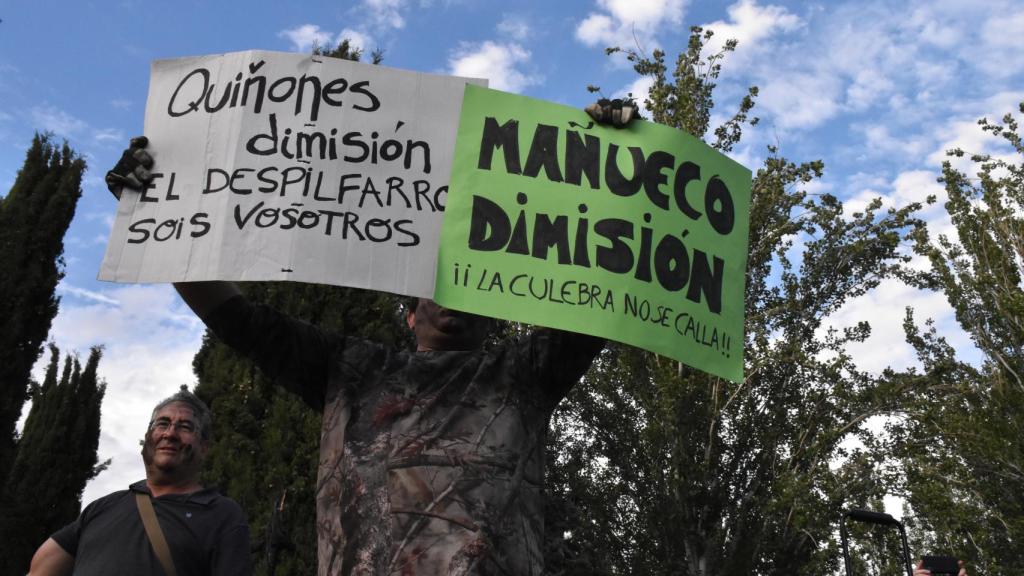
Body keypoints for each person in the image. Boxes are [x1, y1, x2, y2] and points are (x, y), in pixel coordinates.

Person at [102, 99, 636, 575]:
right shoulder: (350, 369)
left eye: (466, 285)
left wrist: (614, 157)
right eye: (434, 286)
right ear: (409, 315)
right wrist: (158, 205)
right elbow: (235, 317)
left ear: (493, 312)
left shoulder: (525, 373)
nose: (450, 297)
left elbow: (606, 284)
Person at [28, 387, 252, 576]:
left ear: (204, 447)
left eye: (185, 427)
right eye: (162, 424)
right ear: (147, 439)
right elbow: (39, 570)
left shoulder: (222, 514)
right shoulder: (102, 508)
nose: (170, 433)